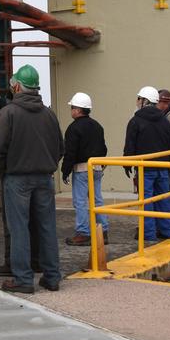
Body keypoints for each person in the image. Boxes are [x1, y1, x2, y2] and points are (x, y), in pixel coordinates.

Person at [0, 65, 63, 294]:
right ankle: (52, 277)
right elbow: (60, 148)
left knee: (19, 228)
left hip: (17, 178)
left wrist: (1, 171)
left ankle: (23, 279)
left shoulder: (7, 114)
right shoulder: (49, 115)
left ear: (18, 87)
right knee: (47, 227)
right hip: (45, 177)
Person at [123, 85, 170, 244]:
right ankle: (167, 231)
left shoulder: (135, 121)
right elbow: (169, 144)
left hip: (145, 168)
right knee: (164, 199)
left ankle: (149, 233)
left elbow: (130, 146)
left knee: (146, 201)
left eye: (139, 98)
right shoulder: (165, 121)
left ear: (144, 101)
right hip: (163, 167)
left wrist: (127, 164)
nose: (137, 101)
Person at [61, 92, 108, 246]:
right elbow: (104, 148)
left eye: (72, 108)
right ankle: (103, 232)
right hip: (97, 167)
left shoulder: (73, 128)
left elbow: (70, 152)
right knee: (97, 200)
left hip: (81, 169)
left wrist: (65, 171)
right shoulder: (97, 126)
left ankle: (83, 233)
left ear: (78, 110)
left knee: (80, 202)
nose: (71, 110)